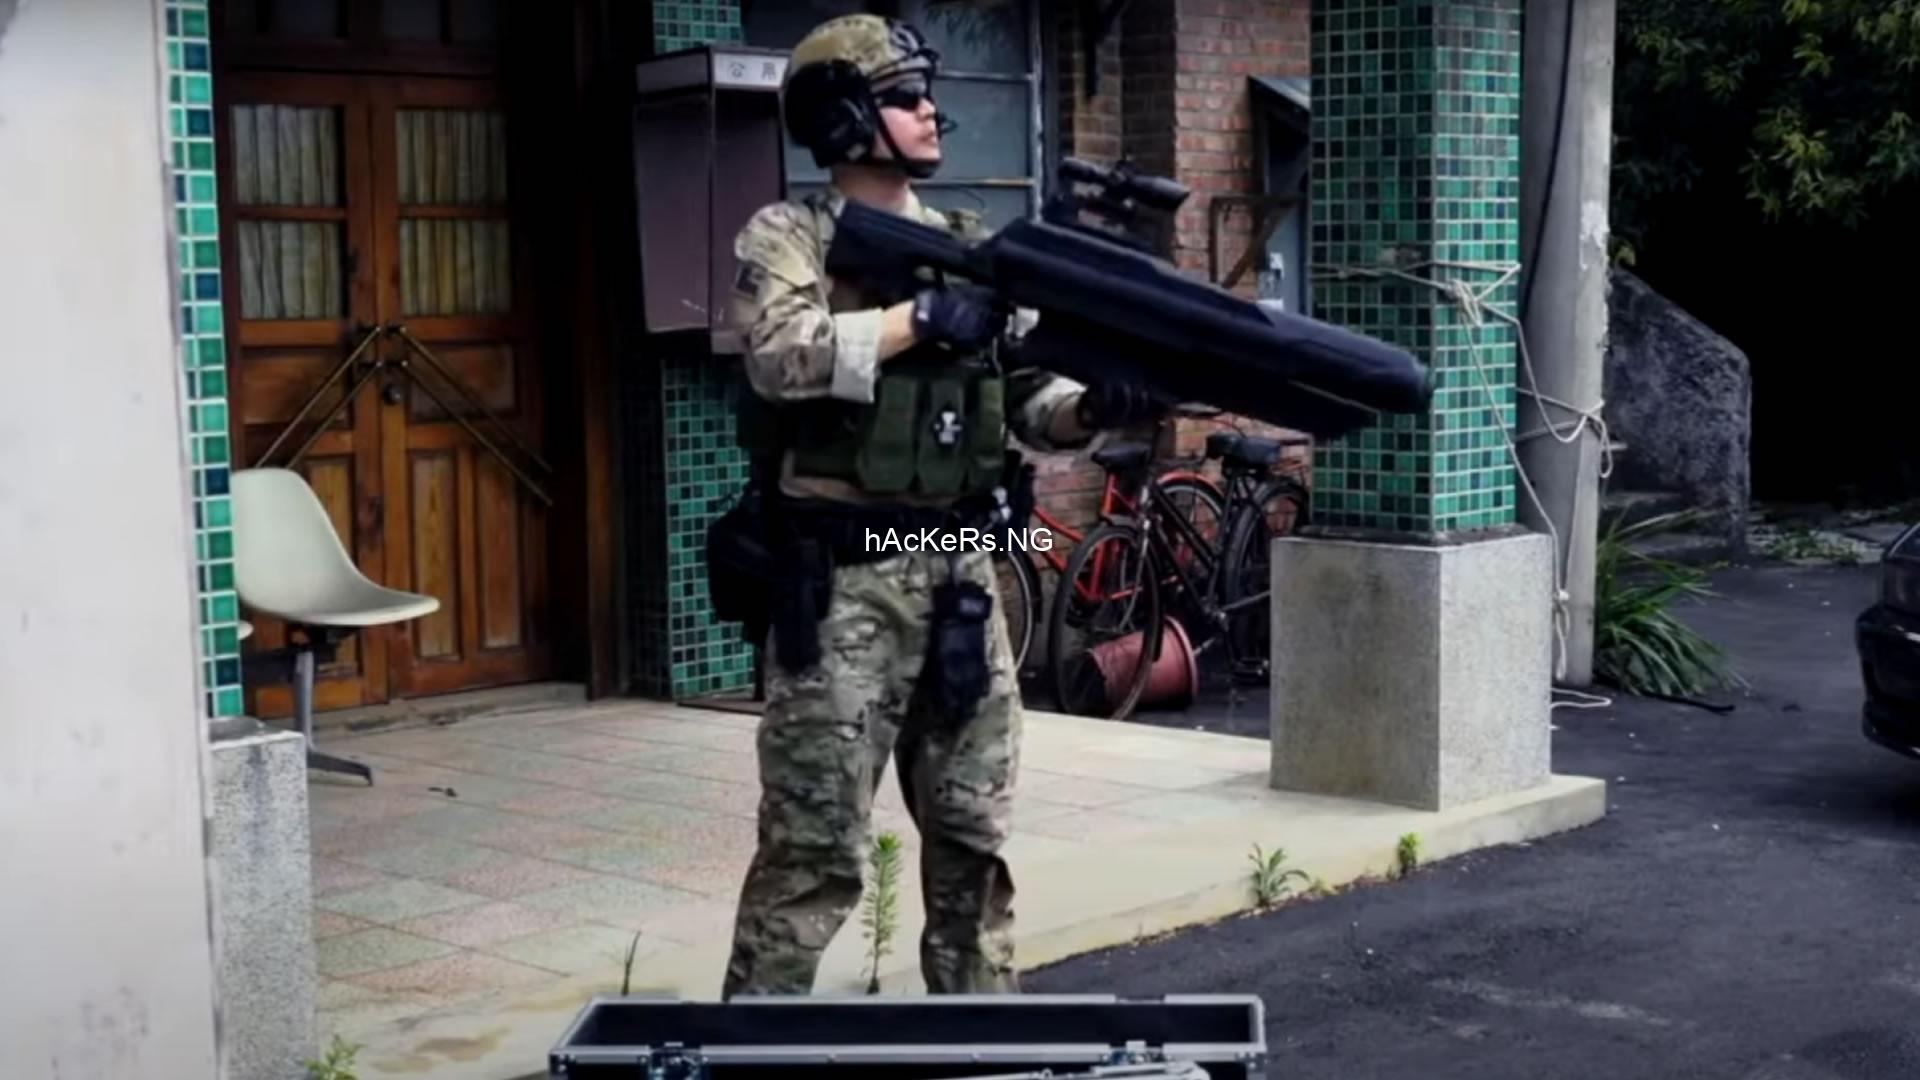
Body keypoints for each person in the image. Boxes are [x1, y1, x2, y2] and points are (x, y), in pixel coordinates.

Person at [716, 13, 1162, 1000]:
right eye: (905, 96)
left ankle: (982, 1037)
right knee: (812, 849)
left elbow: (1028, 402)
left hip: (962, 575)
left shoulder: (970, 247)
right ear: (844, 118)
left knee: (973, 840)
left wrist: (1095, 407)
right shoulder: (790, 235)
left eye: (928, 94)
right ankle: (754, 1047)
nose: (931, 111)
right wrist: (918, 318)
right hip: (840, 586)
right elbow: (781, 357)